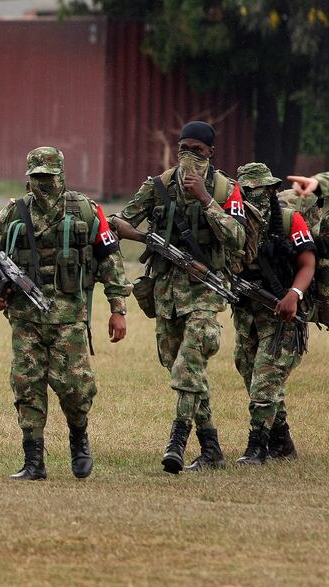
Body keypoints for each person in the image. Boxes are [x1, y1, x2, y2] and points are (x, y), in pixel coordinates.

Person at [110, 121, 247, 474]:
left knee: (188, 368)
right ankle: (212, 449)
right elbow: (118, 221)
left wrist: (204, 197)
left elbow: (237, 238)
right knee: (182, 369)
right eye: (184, 148)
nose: (189, 156)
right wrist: (141, 238)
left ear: (211, 153)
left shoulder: (224, 189)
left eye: (197, 151)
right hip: (166, 294)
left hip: (205, 292)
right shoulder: (157, 186)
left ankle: (177, 442)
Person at [0, 147, 129, 480]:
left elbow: (111, 261)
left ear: (61, 176)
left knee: (76, 388)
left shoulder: (86, 211)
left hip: (68, 317)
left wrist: (117, 309)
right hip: (25, 318)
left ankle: (79, 440)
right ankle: (33, 460)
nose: (42, 184)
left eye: (48, 178)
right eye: (36, 178)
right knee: (26, 386)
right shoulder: (13, 213)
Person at [231, 163, 315, 465]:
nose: (257, 195)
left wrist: (294, 295)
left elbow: (307, 263)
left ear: (271, 190)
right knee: (248, 369)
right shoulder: (233, 221)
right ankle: (283, 441)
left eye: (263, 189)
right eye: (249, 190)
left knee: (265, 380)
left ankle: (258, 447)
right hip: (247, 312)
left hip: (284, 315)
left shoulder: (289, 218)